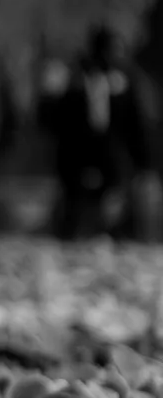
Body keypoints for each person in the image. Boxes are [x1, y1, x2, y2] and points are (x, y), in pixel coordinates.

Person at [38, 24, 151, 239]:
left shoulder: (125, 82)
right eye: (112, 50)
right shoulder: (73, 79)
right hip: (76, 152)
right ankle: (70, 238)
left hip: (111, 152)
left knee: (116, 199)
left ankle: (117, 236)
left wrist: (143, 162)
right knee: (74, 205)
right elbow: (52, 120)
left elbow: (135, 125)